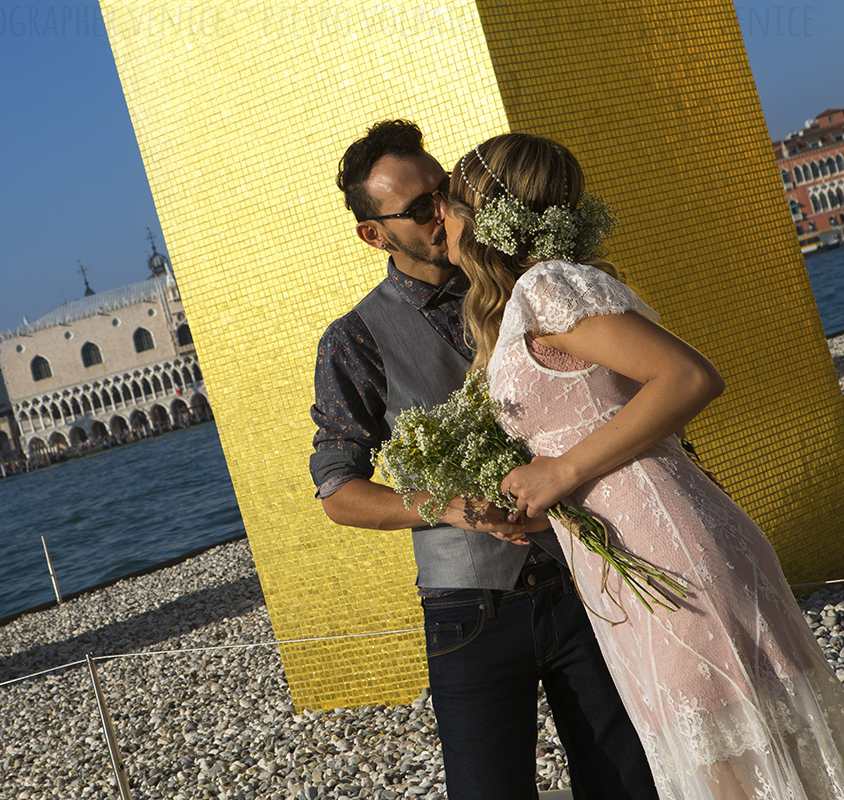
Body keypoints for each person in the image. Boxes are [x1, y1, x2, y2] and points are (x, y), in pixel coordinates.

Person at [443, 131, 844, 799]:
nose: (440, 222)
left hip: (670, 554)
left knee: (732, 767)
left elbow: (688, 377)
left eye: (450, 203)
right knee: (719, 763)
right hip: (621, 565)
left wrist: (560, 474)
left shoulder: (548, 287)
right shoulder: (519, 307)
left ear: (483, 214)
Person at [310, 120, 659, 799]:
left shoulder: (523, 283)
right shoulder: (354, 341)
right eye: (415, 209)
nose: (440, 211)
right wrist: (445, 508)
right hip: (469, 610)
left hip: (582, 572)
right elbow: (337, 492)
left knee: (628, 779)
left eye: (442, 190)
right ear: (372, 234)